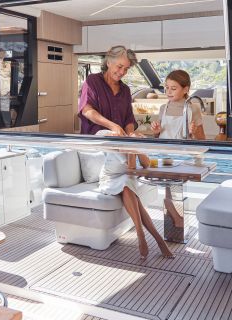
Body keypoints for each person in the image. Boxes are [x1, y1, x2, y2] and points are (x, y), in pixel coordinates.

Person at [96, 130, 175, 260]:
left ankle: (144, 236)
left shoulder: (135, 145)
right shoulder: (119, 142)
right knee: (128, 186)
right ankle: (155, 239)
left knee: (128, 185)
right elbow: (131, 167)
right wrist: (130, 146)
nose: (138, 141)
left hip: (127, 177)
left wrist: (138, 149)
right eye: (136, 139)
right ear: (128, 135)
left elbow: (146, 164)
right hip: (109, 179)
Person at [78, 45, 138, 136]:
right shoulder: (93, 81)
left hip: (118, 144)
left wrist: (131, 134)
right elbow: (87, 110)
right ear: (109, 63)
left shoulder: (125, 90)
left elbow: (129, 119)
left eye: (126, 69)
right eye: (119, 66)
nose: (122, 72)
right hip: (94, 144)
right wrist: (113, 126)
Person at [151, 70, 205, 140]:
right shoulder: (163, 108)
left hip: (184, 150)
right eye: (167, 87)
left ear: (185, 89)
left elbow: (202, 139)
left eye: (173, 88)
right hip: (164, 149)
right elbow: (157, 137)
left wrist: (194, 132)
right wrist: (156, 132)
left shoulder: (193, 109)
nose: (169, 92)